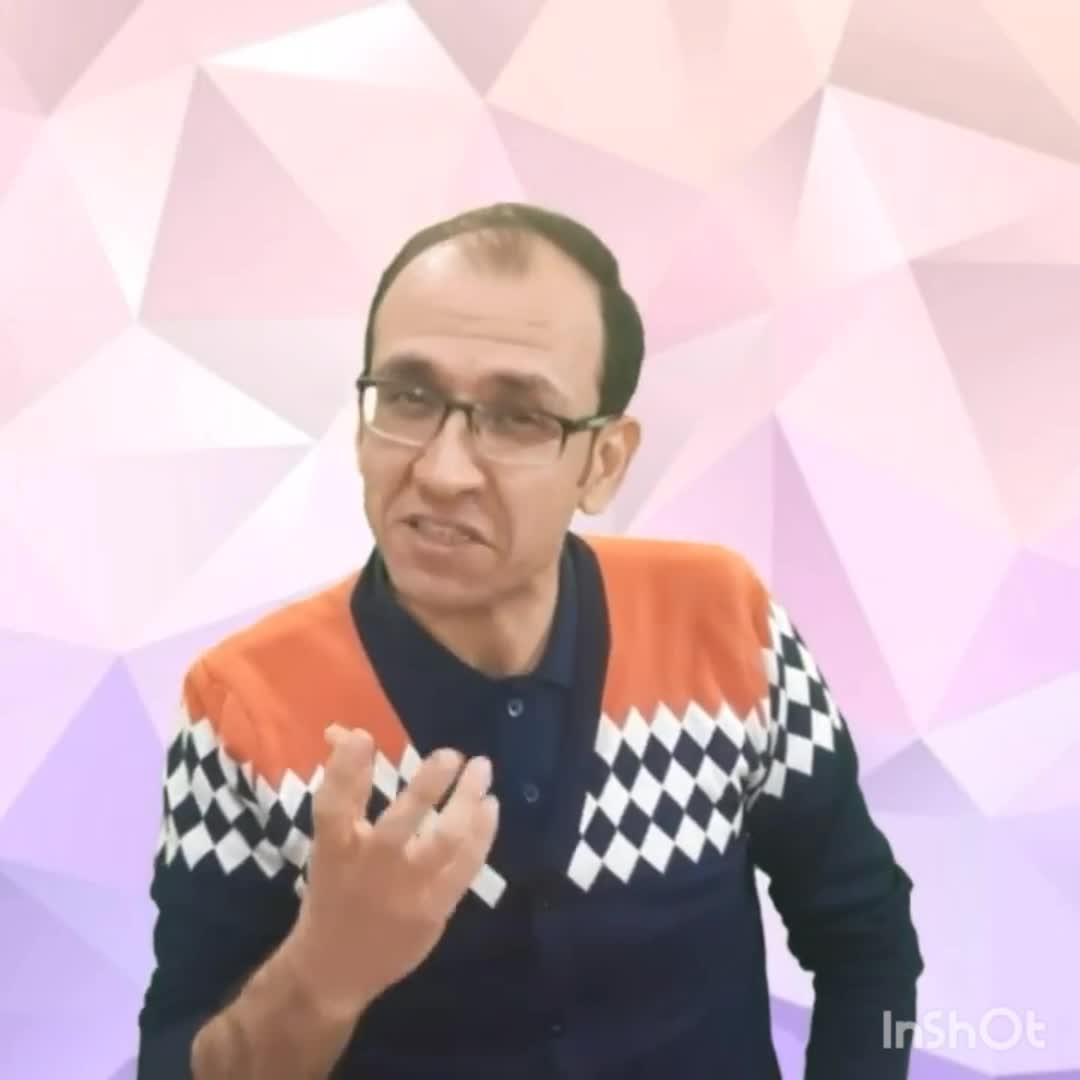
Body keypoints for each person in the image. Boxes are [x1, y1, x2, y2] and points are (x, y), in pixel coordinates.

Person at [137, 202, 923, 1079]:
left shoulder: (727, 623)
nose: (442, 470)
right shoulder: (241, 705)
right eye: (408, 398)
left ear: (605, 463)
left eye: (519, 418)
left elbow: (867, 935)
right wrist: (322, 976)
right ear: (361, 425)